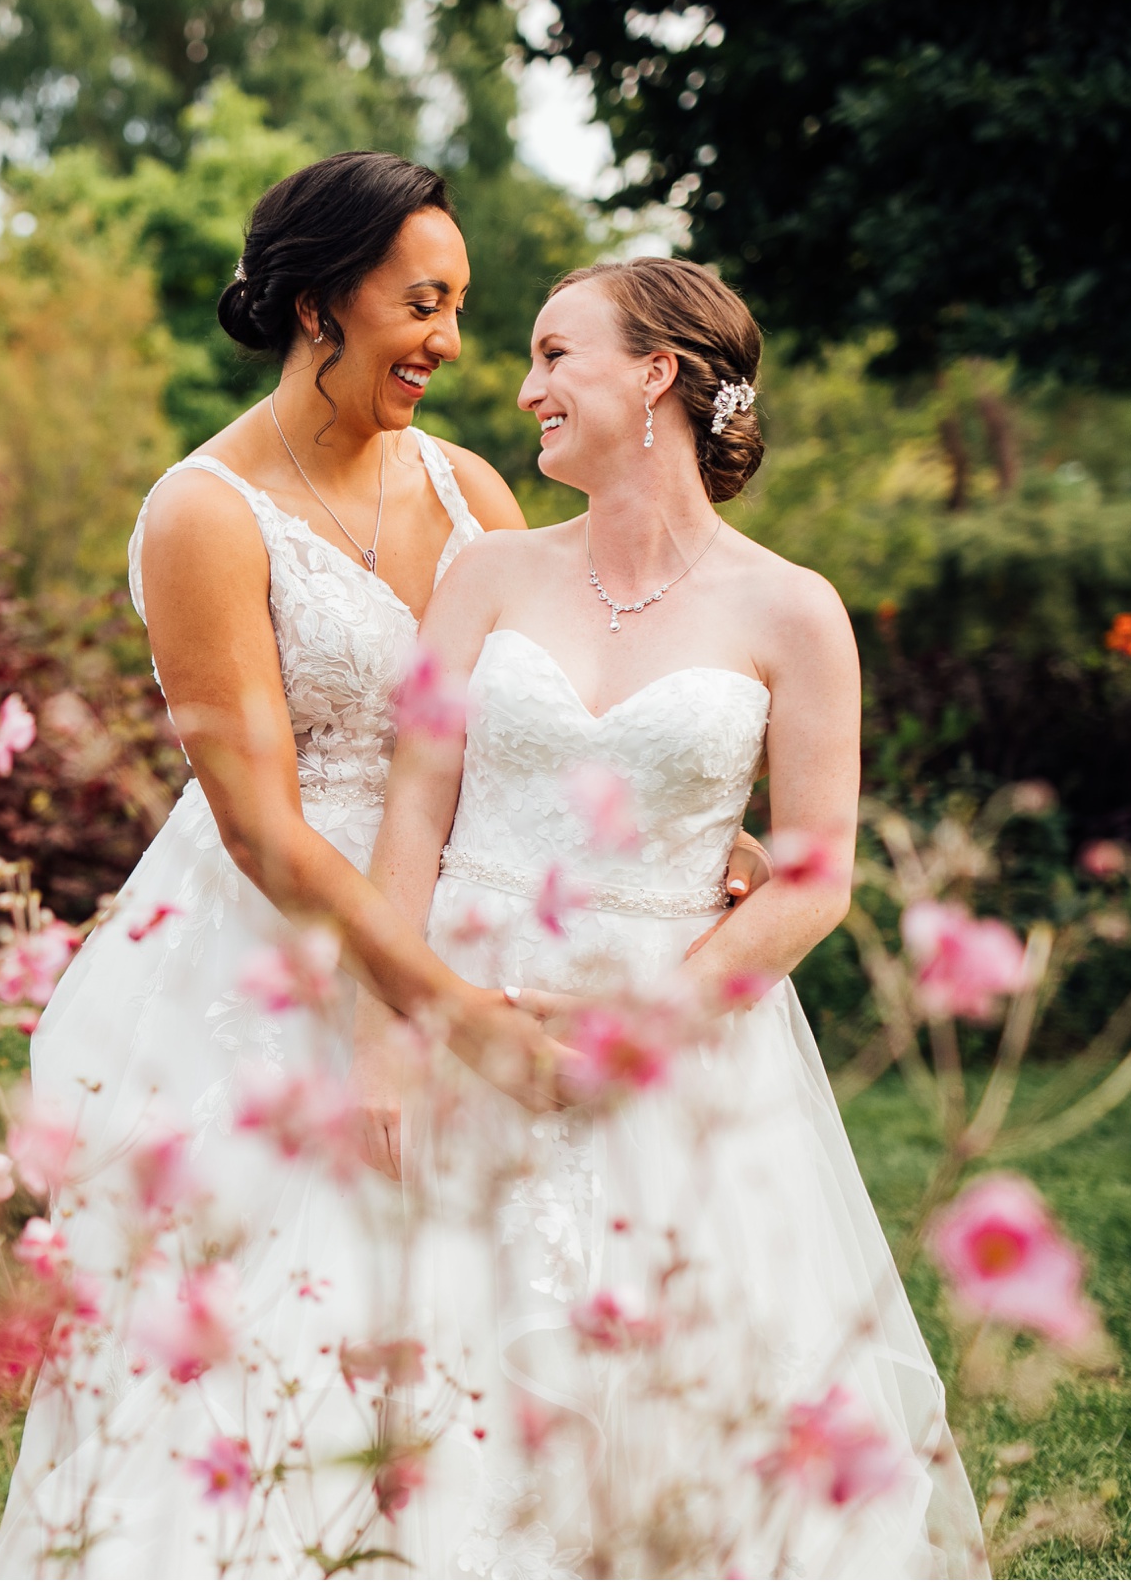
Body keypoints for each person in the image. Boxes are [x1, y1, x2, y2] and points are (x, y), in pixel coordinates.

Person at [0, 152, 739, 1577]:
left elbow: (552, 708)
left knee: (474, 1295)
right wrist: (433, 998)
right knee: (284, 1308)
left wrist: (710, 830)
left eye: (459, 307)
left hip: (481, 903)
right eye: (426, 303)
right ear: (323, 303)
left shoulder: (466, 487)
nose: (454, 344)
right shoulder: (202, 513)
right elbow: (261, 820)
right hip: (278, 949)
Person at [360, 256, 986, 1576]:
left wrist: (641, 1027)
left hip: (674, 1033)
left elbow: (816, 871)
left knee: (673, 1396)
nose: (523, 387)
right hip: (466, 1004)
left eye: (553, 354)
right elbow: (411, 817)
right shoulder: (483, 581)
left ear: (656, 374)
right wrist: (393, 1024)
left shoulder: (794, 610)